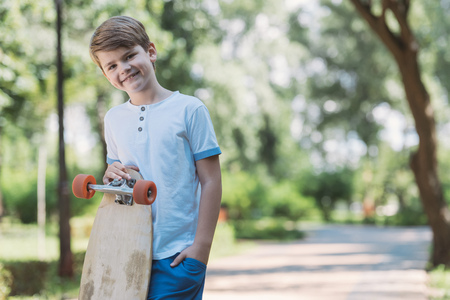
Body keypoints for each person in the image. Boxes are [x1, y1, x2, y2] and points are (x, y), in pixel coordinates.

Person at [89, 16, 222, 299]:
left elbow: (211, 182)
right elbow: (120, 178)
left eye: (129, 56)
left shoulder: (190, 110)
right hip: (125, 253)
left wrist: (201, 249)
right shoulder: (113, 119)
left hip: (177, 256)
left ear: (150, 51)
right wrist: (111, 174)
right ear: (105, 74)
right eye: (112, 65)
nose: (123, 69)